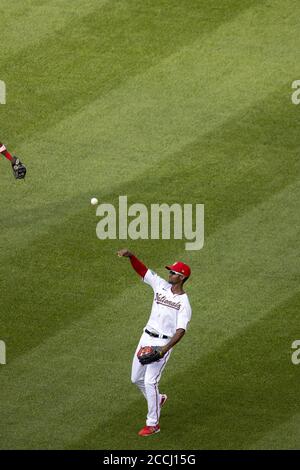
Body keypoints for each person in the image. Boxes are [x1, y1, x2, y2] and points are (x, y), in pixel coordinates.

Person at [117, 248, 192, 436]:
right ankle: (158, 399)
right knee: (136, 379)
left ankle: (153, 424)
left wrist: (164, 350)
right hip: (146, 337)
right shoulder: (161, 286)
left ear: (181, 277)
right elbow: (144, 271)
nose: (169, 273)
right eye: (170, 271)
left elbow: (181, 330)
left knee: (150, 381)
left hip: (163, 343)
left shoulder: (184, 302)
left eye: (173, 272)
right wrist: (132, 256)